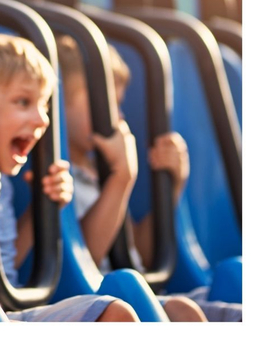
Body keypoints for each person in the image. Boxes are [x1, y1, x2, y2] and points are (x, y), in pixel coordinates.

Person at [0, 33, 141, 322]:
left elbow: (1, 267)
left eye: (44, 105)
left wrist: (41, 209)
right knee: (115, 314)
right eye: (23, 101)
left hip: (4, 310)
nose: (43, 119)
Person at [56, 34, 242, 322]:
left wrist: (173, 186)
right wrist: (122, 177)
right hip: (103, 297)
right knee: (184, 313)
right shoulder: (59, 177)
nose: (117, 116)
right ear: (59, 104)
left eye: (118, 104)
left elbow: (138, 251)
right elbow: (83, 260)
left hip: (137, 290)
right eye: (105, 103)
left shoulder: (97, 171)